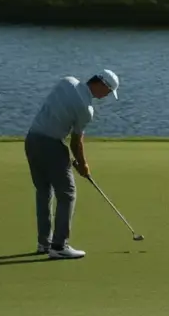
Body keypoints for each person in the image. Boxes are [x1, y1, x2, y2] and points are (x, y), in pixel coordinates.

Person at [23, 69, 120, 259]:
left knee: (43, 191)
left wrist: (72, 159)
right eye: (108, 92)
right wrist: (83, 165)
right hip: (52, 144)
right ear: (102, 85)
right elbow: (76, 142)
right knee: (67, 194)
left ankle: (44, 243)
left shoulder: (66, 81)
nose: (106, 96)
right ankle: (59, 246)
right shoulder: (86, 109)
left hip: (32, 140)